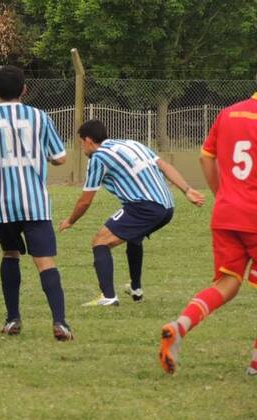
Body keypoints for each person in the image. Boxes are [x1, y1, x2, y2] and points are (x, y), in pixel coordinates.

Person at [0, 65, 73, 341]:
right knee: (45, 261)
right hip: (35, 202)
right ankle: (60, 322)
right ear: (24, 89)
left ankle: (13, 318)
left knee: (10, 254)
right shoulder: (40, 117)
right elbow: (60, 157)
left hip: (2, 204)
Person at [159, 92, 257, 375]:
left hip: (227, 213)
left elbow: (206, 158)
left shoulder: (229, 113)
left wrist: (223, 195)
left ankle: (180, 327)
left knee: (226, 283)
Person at [59, 120, 204, 306]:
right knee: (134, 238)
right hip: (167, 207)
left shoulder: (98, 158)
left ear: (88, 141)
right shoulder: (131, 144)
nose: (81, 148)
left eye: (80, 143)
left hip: (144, 207)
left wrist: (70, 221)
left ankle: (108, 297)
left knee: (100, 242)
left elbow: (85, 200)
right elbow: (165, 166)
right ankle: (136, 290)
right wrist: (187, 190)